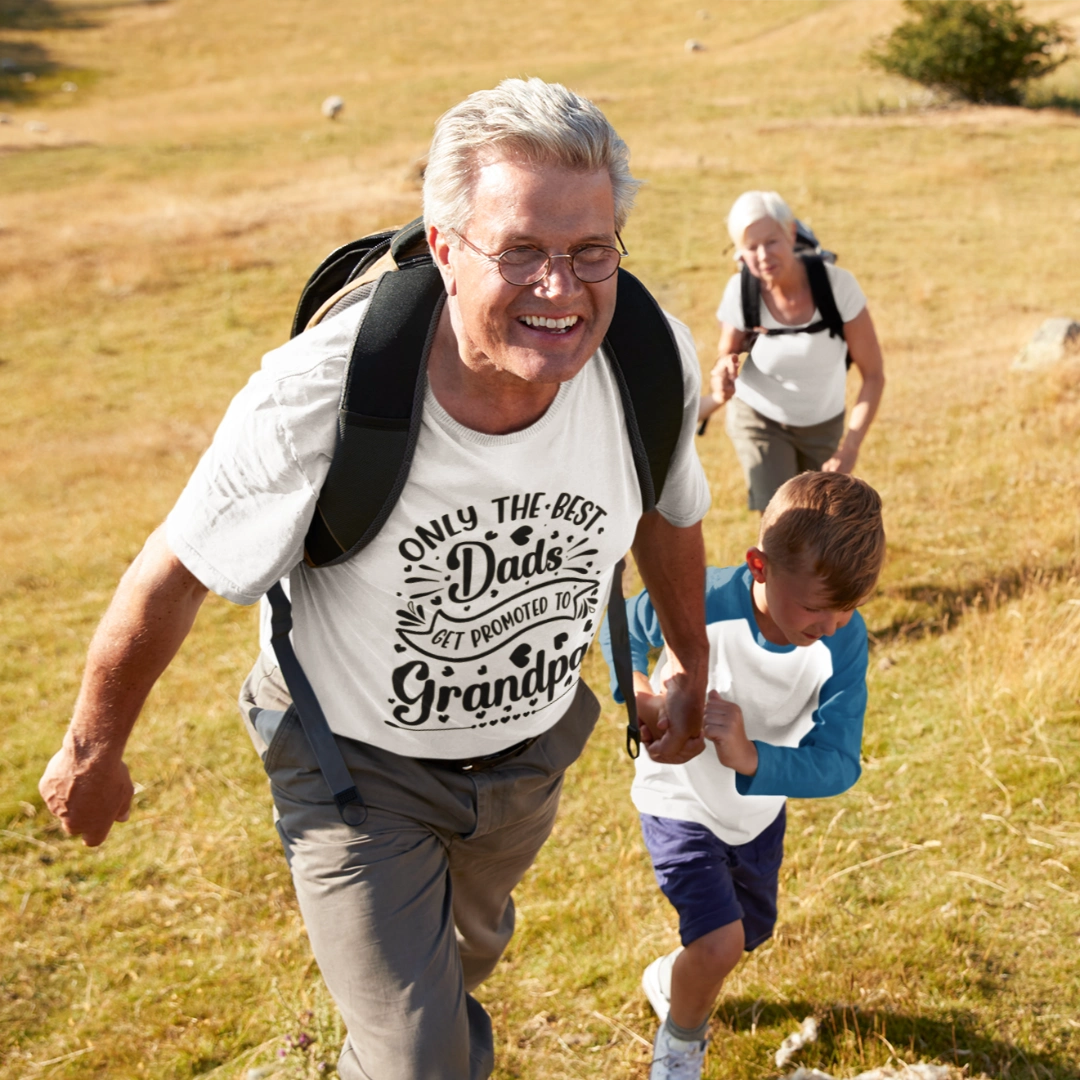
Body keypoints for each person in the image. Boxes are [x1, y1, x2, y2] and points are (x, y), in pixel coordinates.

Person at [37, 79, 713, 1080]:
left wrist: (689, 660)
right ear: (446, 247)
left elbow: (666, 508)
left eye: (590, 252)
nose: (562, 290)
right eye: (520, 250)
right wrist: (93, 751)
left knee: (456, 973)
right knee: (420, 1057)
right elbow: (172, 573)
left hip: (526, 759)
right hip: (354, 767)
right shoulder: (322, 389)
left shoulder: (647, 363)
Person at [601, 471, 885, 1080]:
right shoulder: (696, 599)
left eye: (849, 608)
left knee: (748, 933)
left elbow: (839, 761)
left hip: (755, 815)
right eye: (816, 607)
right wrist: (643, 695)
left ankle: (669, 977)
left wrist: (753, 757)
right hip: (678, 801)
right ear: (759, 565)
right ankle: (680, 1046)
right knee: (721, 942)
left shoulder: (843, 643)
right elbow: (616, 630)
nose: (833, 624)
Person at [698, 191, 886, 512]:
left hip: (822, 424)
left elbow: (874, 376)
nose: (762, 256)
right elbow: (725, 355)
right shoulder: (741, 291)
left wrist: (850, 446)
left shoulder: (837, 287)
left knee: (821, 521)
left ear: (791, 233)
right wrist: (723, 373)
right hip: (759, 418)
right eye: (750, 248)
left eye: (771, 242)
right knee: (781, 519)